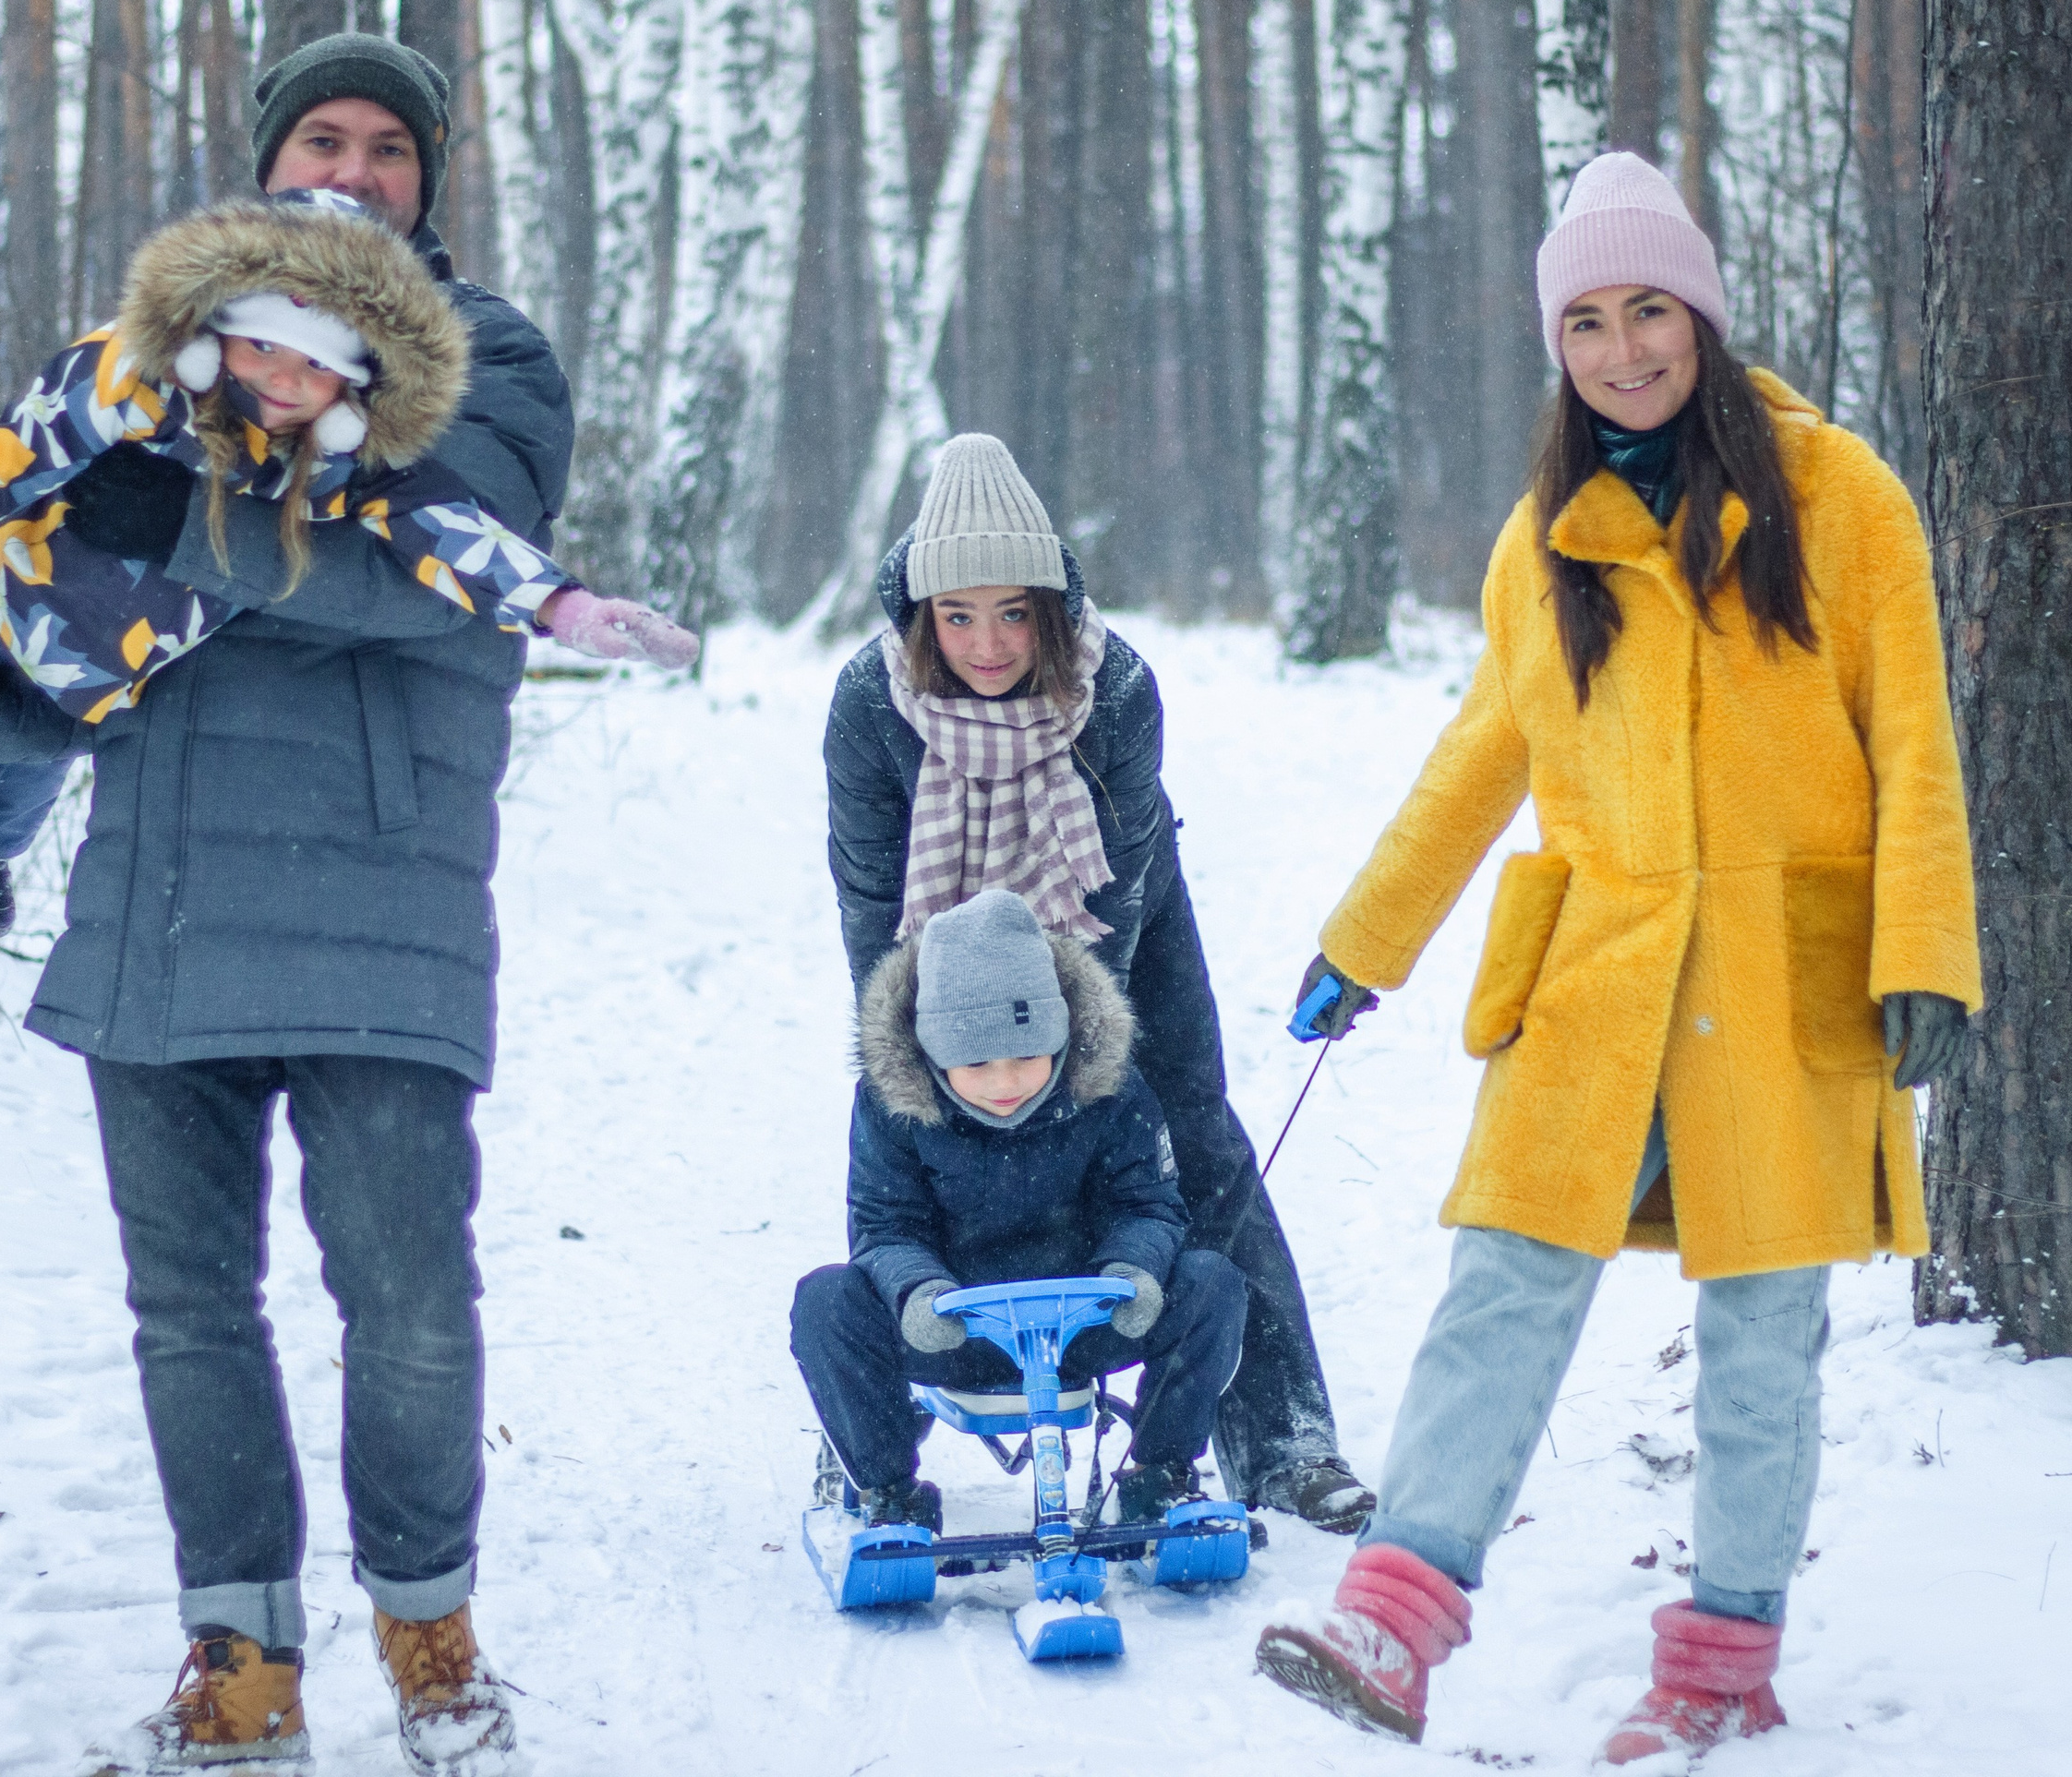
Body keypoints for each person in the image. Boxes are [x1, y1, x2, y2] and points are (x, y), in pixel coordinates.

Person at [0, 35, 675, 1771]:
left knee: (408, 1299)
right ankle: (238, 1659)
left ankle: (428, 1627)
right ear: (265, 167)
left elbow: (433, 572)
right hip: (160, 890)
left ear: (429, 184)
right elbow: (49, 588)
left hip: (383, 895)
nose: (357, 165)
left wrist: (156, 517)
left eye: (390, 147)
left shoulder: (489, 365)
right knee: (189, 1309)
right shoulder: (153, 364)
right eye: (320, 136)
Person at [1255, 153, 1981, 1763]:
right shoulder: (1547, 543)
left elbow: (1917, 737)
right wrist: (1361, 945)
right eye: (1586, 320)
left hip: (1783, 982)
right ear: (1557, 345)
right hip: (1593, 979)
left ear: (1704, 319)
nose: (1623, 349)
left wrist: (1924, 948)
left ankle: (1720, 1672)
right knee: (1500, 1287)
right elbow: (1475, 761)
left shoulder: (1841, 498)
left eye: (1650, 309)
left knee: (1758, 1335)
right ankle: (1392, 1618)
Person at [0, 193, 612, 1007]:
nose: (281, 379)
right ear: (213, 330)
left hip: (95, 674)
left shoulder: (333, 466)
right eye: (261, 343)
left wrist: (562, 607)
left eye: (317, 365)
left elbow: (451, 533)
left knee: (30, 783)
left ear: (354, 389)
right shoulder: (134, 384)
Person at [823, 433, 1370, 1532]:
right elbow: (872, 912)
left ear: (1051, 608)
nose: (987, 642)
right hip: (932, 938)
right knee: (915, 1140)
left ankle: (1283, 1440)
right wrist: (926, 1062)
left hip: (1115, 927)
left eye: (1014, 613)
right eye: (959, 615)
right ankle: (875, 1434)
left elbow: (1112, 912)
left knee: (1196, 1148)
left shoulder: (1114, 687)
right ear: (922, 613)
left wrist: (1061, 1089)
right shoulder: (868, 706)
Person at [790, 888, 1247, 1532]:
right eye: (975, 1062)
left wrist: (1132, 1271)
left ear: (1060, 1037)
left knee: (1211, 1282)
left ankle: (1161, 1474)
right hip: (955, 1326)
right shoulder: (893, 1105)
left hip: (1084, 1318)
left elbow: (1146, 1204)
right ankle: (888, 1491)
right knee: (827, 1301)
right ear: (932, 1051)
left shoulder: (1111, 1088)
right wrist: (919, 1293)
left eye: (1027, 1057)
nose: (1005, 1083)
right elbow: (884, 1225)